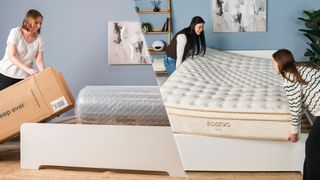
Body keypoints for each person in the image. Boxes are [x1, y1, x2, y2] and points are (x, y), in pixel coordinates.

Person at [272, 49, 320, 180]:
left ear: (281, 62)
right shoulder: (303, 67)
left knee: (312, 149)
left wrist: (294, 132)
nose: (272, 65)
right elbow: (304, 99)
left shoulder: (289, 77)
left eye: (274, 62)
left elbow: (295, 107)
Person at [0, 9, 45, 91]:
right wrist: (28, 70)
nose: (39, 26)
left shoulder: (39, 40)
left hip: (23, 78)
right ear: (28, 21)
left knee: (17, 103)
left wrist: (44, 75)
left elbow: (39, 61)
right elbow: (11, 56)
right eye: (36, 23)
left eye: (40, 23)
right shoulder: (15, 32)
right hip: (5, 74)